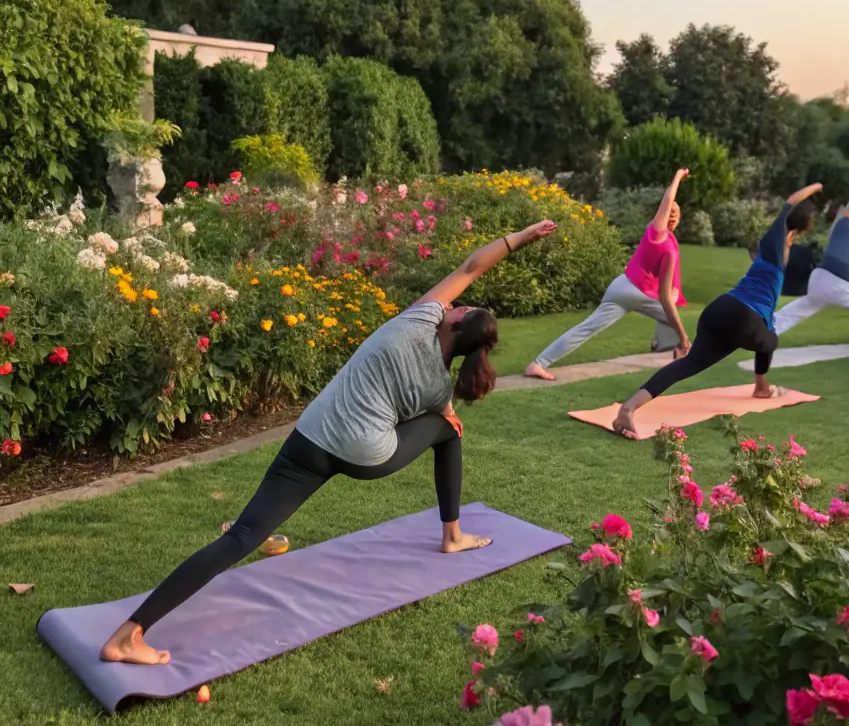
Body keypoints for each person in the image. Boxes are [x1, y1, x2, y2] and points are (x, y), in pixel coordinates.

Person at [100, 220, 558, 666]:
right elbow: (441, 406)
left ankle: (129, 633)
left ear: (457, 316)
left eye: (462, 305)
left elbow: (471, 267)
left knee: (241, 536)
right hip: (366, 454)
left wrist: (521, 236)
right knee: (449, 429)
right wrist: (443, 411)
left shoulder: (418, 318)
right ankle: (452, 535)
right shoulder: (439, 388)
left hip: (310, 437)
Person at [611, 182, 822, 439]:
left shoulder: (772, 245)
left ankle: (629, 407)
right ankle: (762, 388)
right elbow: (791, 201)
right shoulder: (778, 240)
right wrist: (815, 187)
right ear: (794, 232)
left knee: (688, 365)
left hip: (718, 310)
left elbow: (789, 208)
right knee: (770, 339)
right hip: (744, 316)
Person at [524, 169, 692, 381]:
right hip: (637, 292)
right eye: (671, 211)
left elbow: (669, 201)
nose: (674, 214)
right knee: (676, 319)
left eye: (676, 212)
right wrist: (677, 176)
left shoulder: (659, 235)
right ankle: (681, 347)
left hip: (621, 287)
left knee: (586, 328)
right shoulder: (659, 236)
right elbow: (666, 298)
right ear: (664, 214)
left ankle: (538, 364)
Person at [773, 170, 849, 370]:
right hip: (839, 280)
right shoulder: (845, 227)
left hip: (821, 278)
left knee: (806, 305)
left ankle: (766, 330)